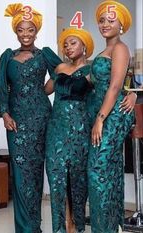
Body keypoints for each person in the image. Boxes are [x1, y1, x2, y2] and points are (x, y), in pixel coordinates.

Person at [0, 3, 62, 233]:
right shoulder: (8, 56)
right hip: (16, 120)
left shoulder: (44, 54)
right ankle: (25, 229)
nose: (25, 34)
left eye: (30, 30)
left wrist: (46, 89)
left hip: (42, 118)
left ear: (36, 31)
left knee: (37, 172)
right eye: (21, 30)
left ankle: (36, 226)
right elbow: (1, 87)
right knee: (21, 174)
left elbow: (61, 72)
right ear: (16, 32)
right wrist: (4, 113)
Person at [87, 1, 135, 232]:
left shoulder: (120, 48)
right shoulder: (103, 51)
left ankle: (103, 227)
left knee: (98, 169)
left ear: (122, 25)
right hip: (104, 113)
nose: (105, 24)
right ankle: (112, 225)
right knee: (111, 169)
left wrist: (100, 118)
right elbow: (95, 83)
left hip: (112, 115)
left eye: (111, 20)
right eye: (102, 20)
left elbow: (115, 87)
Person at [45, 27, 94, 233]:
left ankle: (76, 226)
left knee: (78, 181)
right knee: (56, 181)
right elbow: (42, 92)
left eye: (73, 43)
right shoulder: (59, 69)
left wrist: (132, 95)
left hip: (80, 131)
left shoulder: (93, 71)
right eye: (65, 44)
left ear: (84, 46)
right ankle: (60, 228)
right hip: (56, 130)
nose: (68, 47)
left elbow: (112, 88)